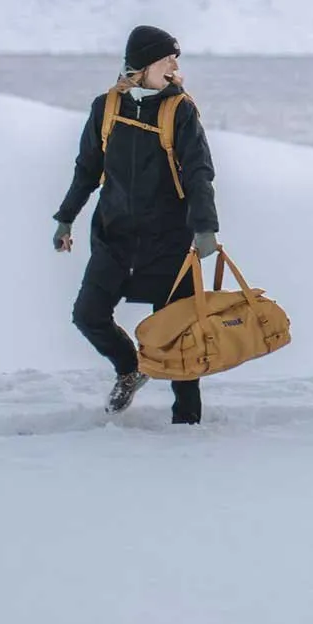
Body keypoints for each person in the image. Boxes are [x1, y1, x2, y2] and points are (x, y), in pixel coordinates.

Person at [53, 26, 220, 424]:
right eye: (167, 59)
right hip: (114, 237)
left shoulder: (180, 110)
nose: (175, 66)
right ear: (144, 66)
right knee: (88, 315)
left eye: (176, 59)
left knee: (180, 336)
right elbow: (87, 170)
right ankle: (130, 368)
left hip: (169, 241)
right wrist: (65, 218)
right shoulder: (106, 107)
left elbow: (198, 173)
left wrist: (205, 228)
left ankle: (187, 422)